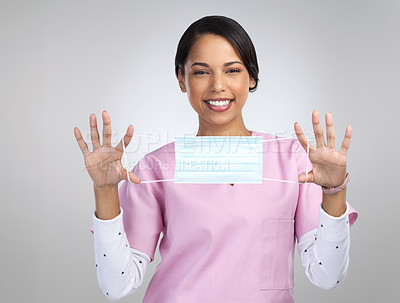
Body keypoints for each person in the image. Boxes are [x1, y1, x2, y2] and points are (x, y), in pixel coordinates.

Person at [74, 15, 358, 303]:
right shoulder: (155, 169)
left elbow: (327, 276)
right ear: (181, 79)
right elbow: (117, 285)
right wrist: (105, 191)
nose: (218, 86)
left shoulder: (293, 163)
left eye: (232, 70)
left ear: (252, 77)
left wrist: (334, 191)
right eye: (201, 72)